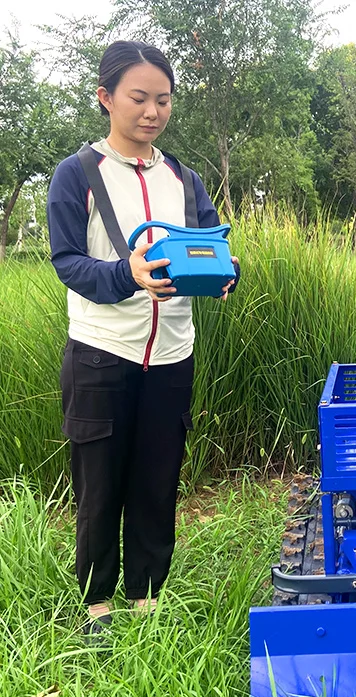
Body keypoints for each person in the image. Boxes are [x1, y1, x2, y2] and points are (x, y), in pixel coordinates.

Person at [46, 41, 238, 638]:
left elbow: (214, 242)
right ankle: (97, 606)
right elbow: (68, 262)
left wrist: (226, 275)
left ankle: (146, 599)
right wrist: (125, 274)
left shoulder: (183, 177)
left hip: (171, 353)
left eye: (163, 99)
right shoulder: (76, 175)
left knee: (157, 482)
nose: (152, 111)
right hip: (102, 353)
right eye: (138, 98)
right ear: (106, 98)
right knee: (100, 485)